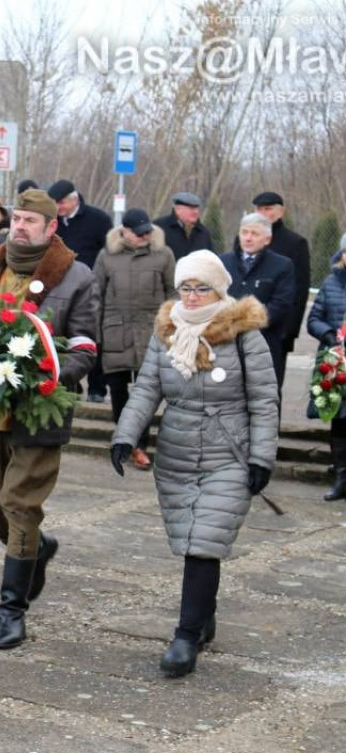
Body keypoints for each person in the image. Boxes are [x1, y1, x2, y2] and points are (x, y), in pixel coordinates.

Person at [111, 249, 278, 677]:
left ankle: (185, 637)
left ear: (218, 290)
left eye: (201, 288)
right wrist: (125, 435)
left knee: (204, 542)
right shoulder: (166, 330)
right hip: (178, 454)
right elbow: (147, 388)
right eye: (185, 287)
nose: (191, 296)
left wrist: (261, 457)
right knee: (190, 540)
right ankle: (203, 616)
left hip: (229, 453)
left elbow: (264, 400)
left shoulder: (243, 333)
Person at [0, 188, 100, 650]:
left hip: (39, 408)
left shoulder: (77, 276)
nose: (19, 227)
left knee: (19, 505)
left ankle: (11, 612)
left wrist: (47, 375)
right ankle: (36, 548)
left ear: (50, 227)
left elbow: (85, 346)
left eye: (30, 221)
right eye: (16, 218)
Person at [93, 208, 176, 470]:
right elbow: (96, 295)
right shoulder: (107, 256)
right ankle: (125, 440)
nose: (144, 237)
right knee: (118, 391)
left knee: (146, 392)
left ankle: (140, 445)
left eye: (147, 232)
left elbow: (173, 292)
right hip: (115, 331)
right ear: (125, 231)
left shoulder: (163, 254)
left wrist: (171, 327)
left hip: (151, 332)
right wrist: (96, 335)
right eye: (138, 233)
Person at [47, 179, 112, 403]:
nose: (58, 208)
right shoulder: (52, 222)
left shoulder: (98, 220)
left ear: (74, 200)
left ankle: (96, 387)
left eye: (61, 203)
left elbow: (108, 254)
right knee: (62, 336)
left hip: (90, 287)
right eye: (54, 204)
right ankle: (69, 384)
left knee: (90, 337)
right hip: (59, 287)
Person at [219, 213, 295, 390]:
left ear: (267, 239)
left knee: (262, 393)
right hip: (226, 343)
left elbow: (281, 304)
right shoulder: (223, 262)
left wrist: (245, 323)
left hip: (264, 343)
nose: (248, 238)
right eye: (244, 232)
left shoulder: (282, 265)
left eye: (254, 233)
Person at [247, 192, 311, 381]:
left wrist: (289, 330)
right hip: (245, 324)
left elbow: (300, 290)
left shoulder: (295, 243)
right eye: (258, 209)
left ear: (280, 212)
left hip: (278, 328)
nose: (262, 213)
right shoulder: (245, 241)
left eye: (267, 209)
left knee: (271, 384)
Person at [306, 249, 346, 501]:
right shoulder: (331, 282)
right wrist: (330, 336)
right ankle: (341, 477)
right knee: (339, 420)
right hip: (336, 361)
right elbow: (314, 319)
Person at [153, 192, 213, 261]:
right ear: (178, 209)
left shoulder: (203, 232)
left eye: (197, 208)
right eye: (191, 208)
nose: (196, 212)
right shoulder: (159, 227)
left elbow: (211, 259)